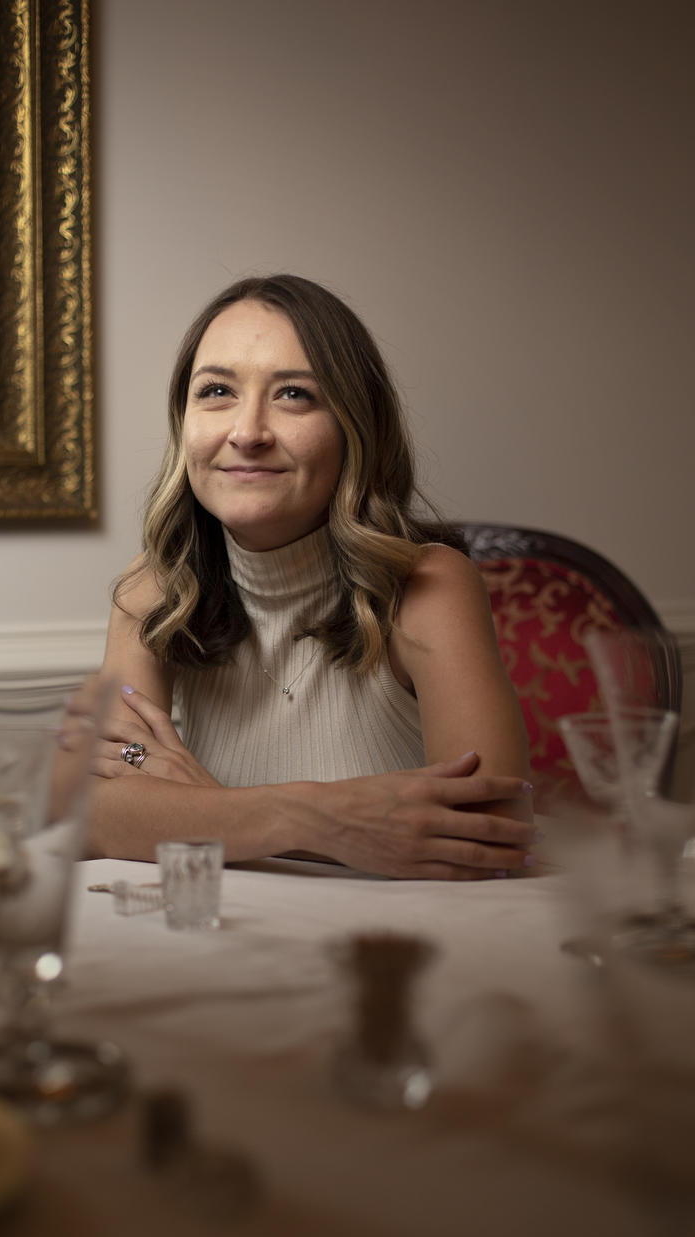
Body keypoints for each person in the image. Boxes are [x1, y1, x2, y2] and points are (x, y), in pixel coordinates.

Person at [67, 273, 536, 880]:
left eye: (294, 395)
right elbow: (94, 817)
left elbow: (491, 830)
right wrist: (322, 819)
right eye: (216, 392)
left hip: (394, 952)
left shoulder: (428, 587)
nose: (247, 432)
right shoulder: (155, 592)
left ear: (355, 429)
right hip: (228, 943)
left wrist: (201, 810)